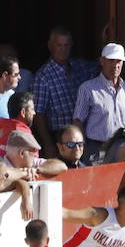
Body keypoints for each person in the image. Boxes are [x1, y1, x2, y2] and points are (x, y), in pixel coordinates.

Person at [32, 27, 97, 157]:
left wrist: (105, 40)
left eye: (66, 45)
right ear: (50, 46)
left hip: (84, 135)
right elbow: (39, 115)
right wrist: (48, 144)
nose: (63, 49)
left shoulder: (80, 66)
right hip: (59, 138)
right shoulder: (43, 76)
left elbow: (103, 65)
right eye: (59, 45)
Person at [72, 43, 125, 164]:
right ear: (102, 61)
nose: (115, 65)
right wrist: (82, 147)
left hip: (123, 147)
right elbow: (77, 121)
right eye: (111, 61)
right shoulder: (88, 88)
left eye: (119, 61)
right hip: (96, 150)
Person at [0, 86, 34, 157]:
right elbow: (30, 163)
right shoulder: (23, 135)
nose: (34, 113)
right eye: (32, 109)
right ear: (23, 112)